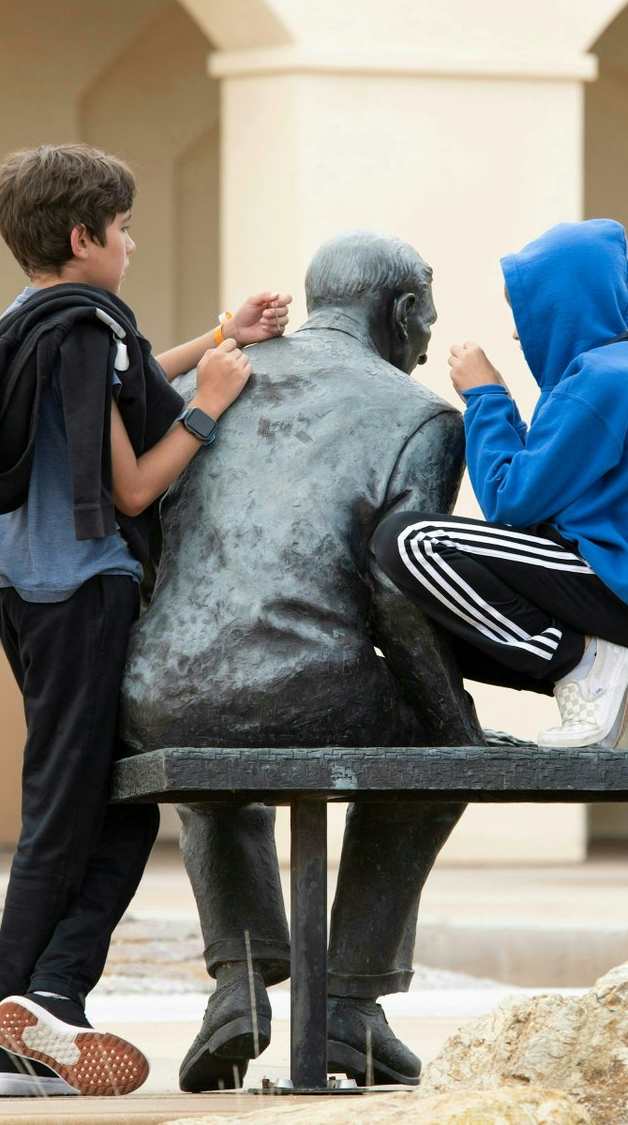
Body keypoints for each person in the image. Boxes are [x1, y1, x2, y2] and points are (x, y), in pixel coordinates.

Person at [0, 143, 290, 1097]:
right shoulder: (84, 329)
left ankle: (38, 1017)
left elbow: (107, 400)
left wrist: (211, 339)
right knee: (77, 814)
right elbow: (128, 482)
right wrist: (208, 408)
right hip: (84, 597)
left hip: (32, 601)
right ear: (84, 237)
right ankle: (21, 1026)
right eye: (121, 231)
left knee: (105, 807)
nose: (131, 244)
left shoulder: (38, 320)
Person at [119, 229, 485, 1090]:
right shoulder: (421, 415)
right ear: (402, 310)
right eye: (427, 310)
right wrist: (455, 721)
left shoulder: (205, 378)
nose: (430, 332)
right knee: (437, 754)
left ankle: (239, 984)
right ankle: (351, 1010)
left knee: (214, 734)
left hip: (162, 688)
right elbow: (401, 592)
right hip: (312, 683)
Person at [373, 218, 628, 749]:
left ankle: (582, 663)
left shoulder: (603, 381)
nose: (516, 330)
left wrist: (486, 399)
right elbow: (546, 486)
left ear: (563, 306)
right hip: (617, 592)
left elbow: (511, 501)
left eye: (525, 311)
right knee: (408, 620)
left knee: (409, 543)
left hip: (603, 584)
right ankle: (584, 669)